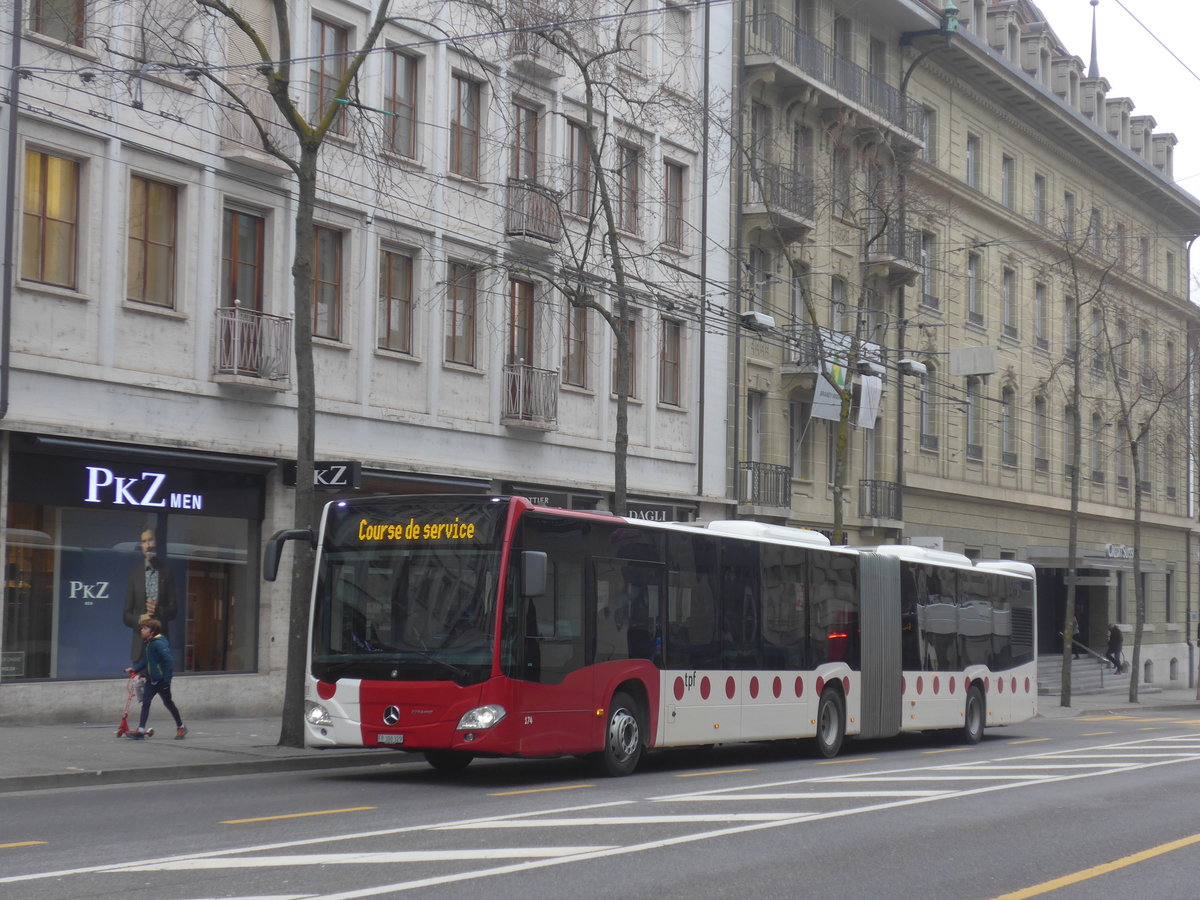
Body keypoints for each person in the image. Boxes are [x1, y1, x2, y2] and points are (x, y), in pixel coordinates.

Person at [123, 618, 187, 740]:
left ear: (152, 631)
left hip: (161, 681)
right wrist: (134, 670)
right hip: (151, 680)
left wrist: (167, 680)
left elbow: (169, 661)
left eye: (145, 628)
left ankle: (181, 727)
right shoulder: (149, 643)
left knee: (168, 703)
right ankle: (141, 731)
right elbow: (147, 661)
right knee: (146, 703)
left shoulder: (159, 643)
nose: (142, 630)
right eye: (142, 628)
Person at [123, 527, 176, 665]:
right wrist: (140, 619)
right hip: (139, 649)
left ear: (156, 542)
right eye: (144, 541)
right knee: (139, 686)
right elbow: (126, 615)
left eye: (150, 540)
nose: (147, 545)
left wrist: (158, 610)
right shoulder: (134, 575)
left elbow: (174, 611)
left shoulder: (166, 571)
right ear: (141, 546)